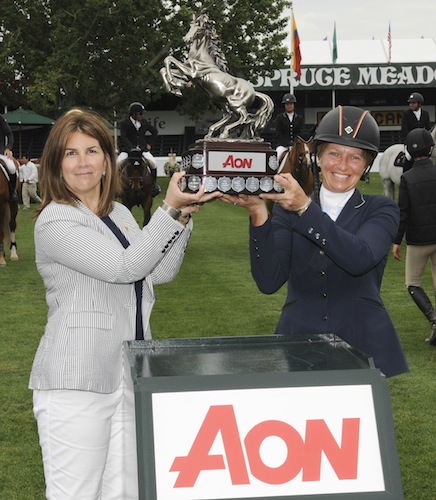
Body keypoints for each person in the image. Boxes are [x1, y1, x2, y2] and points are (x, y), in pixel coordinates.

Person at [28, 109, 221, 499]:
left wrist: (182, 216)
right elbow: (124, 267)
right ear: (55, 164)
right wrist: (165, 210)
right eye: (70, 153)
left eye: (92, 151)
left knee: (126, 491)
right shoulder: (55, 220)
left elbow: (157, 271)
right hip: (77, 380)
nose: (82, 162)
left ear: (106, 160)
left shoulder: (117, 212)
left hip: (128, 375)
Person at [221, 105, 408, 378]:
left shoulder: (381, 209)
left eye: (355, 157)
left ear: (367, 165)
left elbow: (360, 258)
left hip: (362, 345)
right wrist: (258, 212)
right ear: (318, 158)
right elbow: (269, 281)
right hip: (298, 343)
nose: (343, 165)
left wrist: (306, 209)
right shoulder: (287, 210)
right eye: (333, 153)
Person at [392, 128, 436, 346]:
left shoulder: (407, 178)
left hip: (419, 240)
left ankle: (434, 319)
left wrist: (396, 241)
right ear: (431, 148)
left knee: (413, 284)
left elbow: (403, 213)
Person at [118, 101, 160, 196]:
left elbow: (154, 131)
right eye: (140, 113)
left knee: (153, 163)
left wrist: (150, 143)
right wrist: (131, 148)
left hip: (142, 150)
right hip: (127, 151)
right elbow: (124, 137)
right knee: (117, 164)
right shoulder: (125, 123)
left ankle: (153, 185)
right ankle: (116, 187)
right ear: (134, 114)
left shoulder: (144, 123)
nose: (142, 115)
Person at [400, 92, 431, 172]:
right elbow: (404, 130)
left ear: (419, 104)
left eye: (413, 103)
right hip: (411, 142)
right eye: (410, 103)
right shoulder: (406, 114)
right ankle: (405, 174)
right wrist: (409, 142)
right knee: (408, 157)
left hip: (423, 142)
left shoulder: (425, 114)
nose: (411, 105)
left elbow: (428, 128)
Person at [274, 93, 304, 168]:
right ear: (285, 105)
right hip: (283, 145)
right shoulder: (280, 118)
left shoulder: (299, 118)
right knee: (277, 155)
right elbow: (278, 133)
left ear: (293, 105)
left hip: (296, 145)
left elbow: (301, 132)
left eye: (290, 104)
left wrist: (295, 143)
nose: (289, 106)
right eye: (287, 104)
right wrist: (286, 144)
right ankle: (275, 173)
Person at [0, 113, 18, 200]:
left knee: (12, 168)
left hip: (0, 152)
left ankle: (12, 191)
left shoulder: (0, 119)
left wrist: (8, 148)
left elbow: (9, 134)